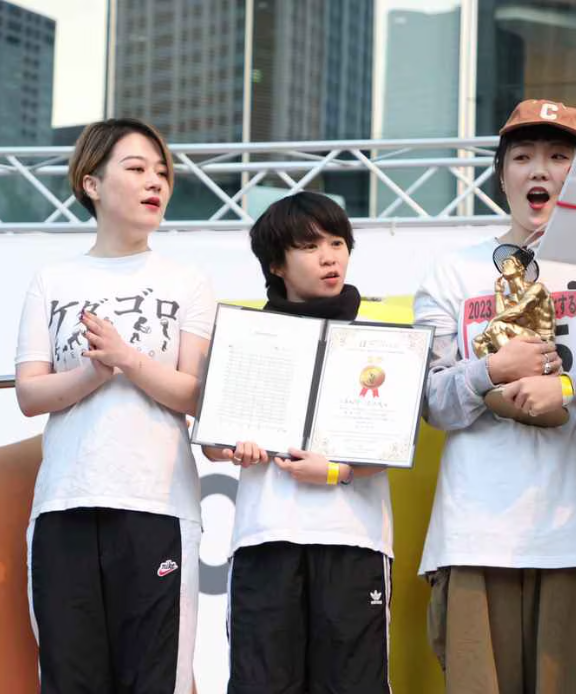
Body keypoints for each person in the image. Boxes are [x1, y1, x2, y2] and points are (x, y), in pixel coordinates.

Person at [414, 99, 576, 694]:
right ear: (502, 175)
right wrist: (489, 372)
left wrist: (568, 388)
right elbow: (430, 401)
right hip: (476, 537)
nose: (539, 169)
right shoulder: (452, 272)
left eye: (559, 156)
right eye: (523, 157)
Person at [15, 118, 214, 693]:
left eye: (162, 173)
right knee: (69, 678)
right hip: (65, 502)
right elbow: (29, 393)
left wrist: (127, 359)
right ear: (92, 183)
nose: (155, 182)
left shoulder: (187, 282)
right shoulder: (52, 279)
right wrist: (92, 373)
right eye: (136, 168)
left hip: (157, 504)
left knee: (155, 678)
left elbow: (195, 394)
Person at [201, 192, 391, 694]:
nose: (329, 257)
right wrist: (234, 449)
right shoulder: (247, 337)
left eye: (337, 243)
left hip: (353, 540)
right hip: (266, 537)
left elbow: (389, 445)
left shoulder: (379, 339)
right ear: (276, 264)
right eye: (309, 247)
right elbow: (213, 443)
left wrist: (337, 471)